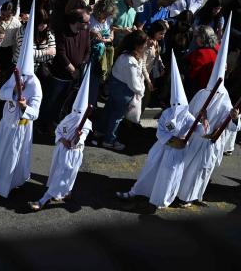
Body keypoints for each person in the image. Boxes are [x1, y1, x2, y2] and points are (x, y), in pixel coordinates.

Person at [116, 52, 196, 208]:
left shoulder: (189, 117)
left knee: (168, 176)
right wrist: (173, 140)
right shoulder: (166, 113)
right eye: (174, 105)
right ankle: (135, 192)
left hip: (176, 154)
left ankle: (160, 200)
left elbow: (199, 129)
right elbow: (161, 131)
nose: (176, 109)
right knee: (150, 170)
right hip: (162, 148)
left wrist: (203, 121)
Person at [0, 2, 42, 197]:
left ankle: (5, 186)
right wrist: (14, 91)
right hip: (7, 123)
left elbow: (35, 111)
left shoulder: (35, 84)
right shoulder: (16, 76)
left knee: (12, 157)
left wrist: (25, 107)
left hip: (20, 127)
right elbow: (1, 94)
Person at [178, 21, 240, 207]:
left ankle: (196, 195)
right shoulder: (202, 94)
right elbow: (188, 115)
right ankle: (183, 196)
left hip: (212, 142)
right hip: (198, 139)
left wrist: (234, 118)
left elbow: (229, 122)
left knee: (204, 170)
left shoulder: (225, 95)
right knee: (190, 170)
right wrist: (200, 121)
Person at [29, 65, 92, 211]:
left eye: (79, 112)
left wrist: (78, 138)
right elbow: (59, 130)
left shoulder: (87, 124)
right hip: (61, 150)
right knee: (58, 174)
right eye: (75, 110)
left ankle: (44, 200)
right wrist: (62, 139)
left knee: (63, 175)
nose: (76, 113)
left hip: (73, 154)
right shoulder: (69, 117)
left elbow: (78, 142)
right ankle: (65, 192)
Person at [94, 30, 146, 151]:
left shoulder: (124, 54)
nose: (146, 46)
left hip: (115, 88)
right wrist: (141, 91)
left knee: (109, 110)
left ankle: (100, 131)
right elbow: (134, 84)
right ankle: (109, 140)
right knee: (117, 117)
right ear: (137, 45)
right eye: (144, 43)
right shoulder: (130, 61)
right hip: (123, 91)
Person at [39, 9, 90, 131]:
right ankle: (41, 124)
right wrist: (72, 70)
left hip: (74, 76)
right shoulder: (62, 32)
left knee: (62, 102)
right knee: (51, 100)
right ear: (76, 22)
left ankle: (54, 123)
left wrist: (81, 65)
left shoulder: (85, 31)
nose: (88, 24)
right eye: (85, 22)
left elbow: (88, 50)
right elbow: (61, 54)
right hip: (59, 75)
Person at [185, 25, 218, 97]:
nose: (195, 39)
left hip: (200, 90)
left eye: (196, 36)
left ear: (203, 38)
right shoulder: (218, 48)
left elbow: (192, 74)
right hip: (214, 89)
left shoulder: (201, 53)